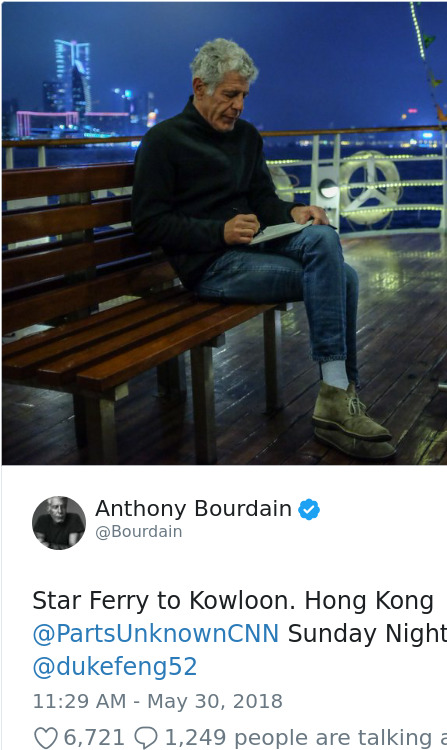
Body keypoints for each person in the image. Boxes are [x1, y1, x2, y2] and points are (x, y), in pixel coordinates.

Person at [132, 38, 394, 460]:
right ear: (200, 87)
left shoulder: (246, 137)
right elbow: (148, 224)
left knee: (328, 245)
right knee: (342, 276)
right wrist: (219, 232)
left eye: (243, 96)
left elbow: (263, 201)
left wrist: (294, 211)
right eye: (229, 94)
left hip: (254, 250)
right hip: (210, 267)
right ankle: (338, 398)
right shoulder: (164, 141)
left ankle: (337, 393)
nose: (238, 106)